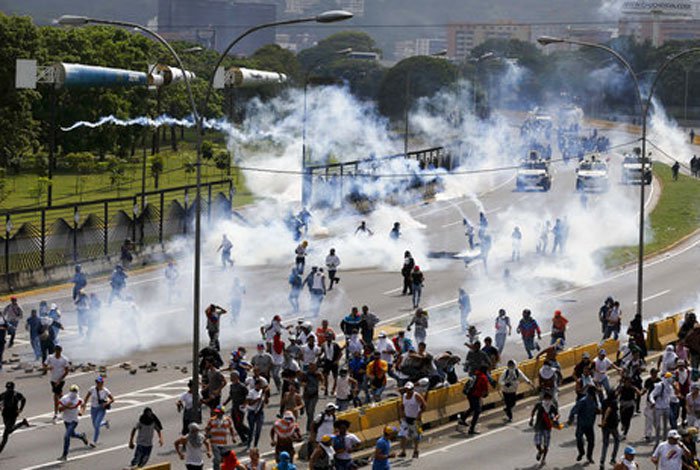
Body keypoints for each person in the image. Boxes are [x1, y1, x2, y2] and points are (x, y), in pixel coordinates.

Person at [568, 386, 600, 464]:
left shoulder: (594, 400)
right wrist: (570, 418)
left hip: (590, 424)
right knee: (579, 438)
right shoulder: (583, 401)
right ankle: (581, 452)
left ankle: (589, 456)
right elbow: (574, 410)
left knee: (591, 442)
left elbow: (596, 409)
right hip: (582, 424)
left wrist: (598, 411)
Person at [57, 384, 89, 461]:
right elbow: (59, 409)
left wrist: (81, 412)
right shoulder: (65, 399)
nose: (74, 393)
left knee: (66, 436)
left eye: (75, 391)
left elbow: (83, 405)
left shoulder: (78, 399)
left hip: (74, 420)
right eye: (72, 391)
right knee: (72, 434)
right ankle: (81, 436)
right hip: (66, 420)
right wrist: (66, 406)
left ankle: (64, 455)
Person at [81, 376, 114, 447]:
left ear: (102, 383)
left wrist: (107, 403)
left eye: (99, 382)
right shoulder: (92, 389)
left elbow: (112, 399)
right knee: (95, 424)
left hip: (101, 409)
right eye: (97, 382)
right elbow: (87, 397)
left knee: (96, 425)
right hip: (93, 409)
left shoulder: (105, 391)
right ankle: (105, 423)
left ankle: (94, 442)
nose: (97, 383)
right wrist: (84, 404)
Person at [529, 392, 559, 467]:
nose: (547, 401)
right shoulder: (539, 405)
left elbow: (557, 414)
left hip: (547, 427)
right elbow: (533, 411)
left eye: (549, 399)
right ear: (544, 398)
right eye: (546, 399)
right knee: (537, 443)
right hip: (539, 426)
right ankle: (540, 451)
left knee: (546, 444)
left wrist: (555, 419)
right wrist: (531, 419)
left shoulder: (552, 406)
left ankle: (543, 459)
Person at [458, 366, 490, 434]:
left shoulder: (475, 374)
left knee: (472, 407)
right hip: (475, 395)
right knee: (477, 411)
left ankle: (462, 419)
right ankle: (471, 429)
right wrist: (485, 395)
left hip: (469, 394)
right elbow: (485, 389)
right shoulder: (483, 377)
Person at [398, 381, 425, 459]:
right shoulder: (404, 396)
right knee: (403, 435)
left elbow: (424, 405)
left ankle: (416, 450)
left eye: (410, 389)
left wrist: (419, 414)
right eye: (407, 389)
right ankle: (403, 451)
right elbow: (402, 406)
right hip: (406, 418)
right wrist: (402, 415)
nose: (408, 391)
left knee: (415, 436)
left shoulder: (416, 396)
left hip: (415, 419)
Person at [0, 381, 28, 454]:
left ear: (13, 388)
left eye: (10, 388)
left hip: (13, 415)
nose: (9, 389)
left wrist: (20, 409)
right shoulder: (3, 394)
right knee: (9, 430)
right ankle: (22, 423)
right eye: (8, 388)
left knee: (6, 433)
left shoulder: (16, 394)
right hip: (5, 414)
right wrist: (0, 407)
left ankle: (0, 449)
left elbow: (23, 400)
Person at [45, 344, 70, 422]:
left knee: (56, 396)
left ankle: (56, 413)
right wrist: (48, 368)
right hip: (53, 379)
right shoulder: (50, 357)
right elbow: (44, 365)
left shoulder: (64, 359)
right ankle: (68, 405)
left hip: (61, 380)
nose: (57, 352)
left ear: (61, 351)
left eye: (59, 351)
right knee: (60, 395)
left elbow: (67, 371)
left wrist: (59, 380)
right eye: (56, 350)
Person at [650, 372, 675, 446]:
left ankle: (664, 442)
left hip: (666, 407)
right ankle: (657, 442)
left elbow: (671, 396)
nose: (672, 379)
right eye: (671, 378)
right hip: (658, 408)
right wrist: (653, 402)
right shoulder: (660, 385)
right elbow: (652, 394)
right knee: (658, 426)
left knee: (665, 426)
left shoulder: (670, 387)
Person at [600, 390, 622, 469]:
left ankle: (602, 461)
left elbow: (602, 411)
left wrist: (603, 422)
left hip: (605, 427)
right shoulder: (614, 402)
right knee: (617, 440)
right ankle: (613, 458)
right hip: (612, 426)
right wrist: (604, 420)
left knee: (605, 444)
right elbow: (608, 411)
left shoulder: (604, 402)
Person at [245, 377, 268, 450]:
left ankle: (255, 445)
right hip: (252, 412)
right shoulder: (251, 392)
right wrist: (257, 399)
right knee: (251, 429)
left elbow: (266, 402)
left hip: (260, 412)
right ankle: (249, 443)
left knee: (258, 429)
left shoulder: (262, 392)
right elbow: (250, 403)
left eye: (260, 385)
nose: (259, 386)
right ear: (255, 385)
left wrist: (265, 397)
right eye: (258, 385)